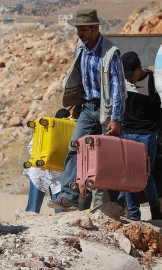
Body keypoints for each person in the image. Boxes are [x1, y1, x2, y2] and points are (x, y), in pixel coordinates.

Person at [47, 9, 126, 211]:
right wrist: (77, 104)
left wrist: (115, 119)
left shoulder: (111, 52)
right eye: (78, 28)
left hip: (105, 111)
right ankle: (70, 195)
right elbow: (81, 79)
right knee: (75, 148)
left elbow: (118, 88)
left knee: (106, 157)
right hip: (88, 107)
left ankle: (115, 203)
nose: (79, 33)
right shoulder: (80, 48)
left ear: (95, 28)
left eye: (83, 28)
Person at [118, 51, 162, 221]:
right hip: (126, 133)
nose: (129, 79)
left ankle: (154, 205)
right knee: (128, 175)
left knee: (145, 174)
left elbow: (160, 109)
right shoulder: (122, 81)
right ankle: (134, 217)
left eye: (131, 75)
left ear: (140, 68)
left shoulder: (153, 82)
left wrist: (153, 128)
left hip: (146, 135)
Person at [24, 109, 71, 214]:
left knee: (60, 210)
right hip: (42, 171)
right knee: (33, 210)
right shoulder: (48, 130)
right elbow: (32, 147)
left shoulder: (69, 130)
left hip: (58, 173)